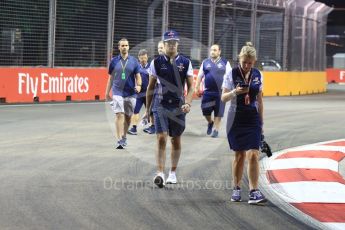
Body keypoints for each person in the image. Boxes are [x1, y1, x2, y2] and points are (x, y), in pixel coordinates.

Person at [146, 30, 194, 188]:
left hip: (178, 106)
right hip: (160, 104)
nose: (172, 45)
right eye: (169, 42)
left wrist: (187, 102)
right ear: (164, 44)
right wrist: (147, 111)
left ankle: (172, 172)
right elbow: (150, 87)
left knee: (176, 139)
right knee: (161, 137)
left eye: (174, 42)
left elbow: (191, 86)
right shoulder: (156, 62)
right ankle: (160, 172)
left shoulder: (185, 62)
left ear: (177, 44)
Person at [221, 42, 266, 204]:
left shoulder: (258, 75)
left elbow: (260, 101)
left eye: (250, 63)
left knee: (254, 154)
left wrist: (261, 124)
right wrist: (234, 92)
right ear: (239, 60)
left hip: (252, 118)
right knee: (239, 155)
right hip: (235, 118)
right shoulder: (231, 74)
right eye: (244, 62)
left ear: (254, 62)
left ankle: (254, 191)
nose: (247, 65)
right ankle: (236, 188)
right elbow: (223, 98)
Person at [105, 38, 142, 149]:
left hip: (131, 92)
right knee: (119, 114)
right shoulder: (114, 61)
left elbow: (138, 76)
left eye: (126, 45)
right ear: (119, 47)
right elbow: (111, 78)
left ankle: (124, 136)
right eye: (122, 45)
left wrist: (139, 86)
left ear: (128, 47)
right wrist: (107, 93)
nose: (124, 47)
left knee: (128, 117)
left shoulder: (134, 61)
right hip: (117, 91)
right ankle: (119, 139)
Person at [195, 44, 231, 138]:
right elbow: (199, 76)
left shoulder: (225, 63)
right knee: (205, 111)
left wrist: (228, 89)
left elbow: (229, 76)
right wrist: (196, 87)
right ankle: (210, 122)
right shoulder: (205, 62)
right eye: (211, 50)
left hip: (220, 92)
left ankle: (216, 129)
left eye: (215, 50)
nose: (212, 52)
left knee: (218, 112)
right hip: (208, 92)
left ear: (219, 51)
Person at [143, 40, 166, 134]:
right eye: (158, 48)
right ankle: (153, 126)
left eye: (161, 47)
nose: (160, 49)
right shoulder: (155, 62)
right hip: (157, 88)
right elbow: (151, 77)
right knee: (153, 108)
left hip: (165, 90)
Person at [128, 49, 150, 135]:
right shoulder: (136, 67)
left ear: (147, 57)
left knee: (150, 112)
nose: (143, 60)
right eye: (141, 58)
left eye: (144, 58)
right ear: (138, 58)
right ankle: (134, 128)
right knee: (135, 110)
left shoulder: (151, 67)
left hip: (149, 94)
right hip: (139, 94)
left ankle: (152, 126)